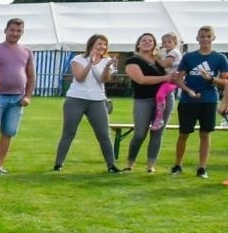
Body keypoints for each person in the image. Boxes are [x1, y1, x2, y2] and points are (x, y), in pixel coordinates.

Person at [52, 34, 120, 173]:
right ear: (91, 45)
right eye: (99, 44)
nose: (102, 47)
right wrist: (90, 63)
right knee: (69, 132)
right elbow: (80, 77)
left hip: (97, 100)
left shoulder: (107, 60)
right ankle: (58, 163)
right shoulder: (78, 59)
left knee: (103, 133)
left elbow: (103, 80)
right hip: (76, 98)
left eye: (104, 44)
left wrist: (107, 67)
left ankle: (111, 165)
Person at [172, 25, 228, 177]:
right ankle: (177, 165)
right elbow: (178, 78)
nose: (205, 39)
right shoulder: (189, 57)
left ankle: (202, 168)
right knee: (183, 133)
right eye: (202, 36)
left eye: (208, 36)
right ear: (197, 38)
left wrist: (210, 79)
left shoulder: (220, 58)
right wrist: (188, 90)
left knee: (205, 134)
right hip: (188, 101)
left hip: (209, 100)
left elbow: (225, 82)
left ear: (213, 38)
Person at [0, 18, 34, 174]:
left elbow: (31, 77)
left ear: (22, 32)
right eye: (12, 30)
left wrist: (28, 96)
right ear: (5, 30)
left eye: (19, 31)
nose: (15, 33)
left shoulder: (27, 51)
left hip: (17, 99)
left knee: (9, 132)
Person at [122, 32, 173, 173]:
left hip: (165, 99)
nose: (147, 42)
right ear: (138, 44)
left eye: (151, 40)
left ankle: (151, 165)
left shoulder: (160, 59)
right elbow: (141, 80)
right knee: (139, 133)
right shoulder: (132, 60)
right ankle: (130, 163)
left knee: (157, 132)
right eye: (144, 40)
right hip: (143, 100)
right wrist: (165, 78)